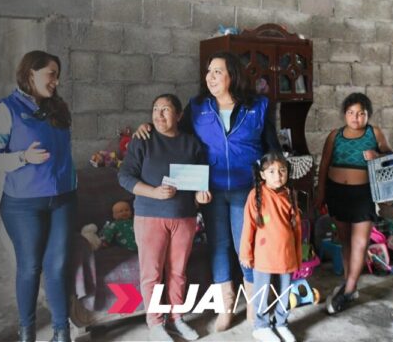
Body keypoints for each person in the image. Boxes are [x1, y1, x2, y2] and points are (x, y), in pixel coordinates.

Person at [134, 52, 280, 331]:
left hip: (246, 189)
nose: (210, 77)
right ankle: (225, 310)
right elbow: (176, 135)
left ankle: (253, 308)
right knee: (219, 246)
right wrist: (149, 127)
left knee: (245, 248)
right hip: (210, 189)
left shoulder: (258, 106)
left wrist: (273, 181)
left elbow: (271, 146)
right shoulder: (198, 106)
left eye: (217, 72)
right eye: (208, 72)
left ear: (232, 75)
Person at [0, 50, 77, 342]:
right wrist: (22, 157)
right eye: (51, 73)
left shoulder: (57, 108)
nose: (56, 81)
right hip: (24, 205)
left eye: (57, 74)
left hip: (62, 200)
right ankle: (28, 333)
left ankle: (62, 333)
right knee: (30, 268)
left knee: (58, 267)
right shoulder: (6, 109)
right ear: (30, 74)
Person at [119, 94, 211, 342]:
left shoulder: (191, 144)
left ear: (179, 115)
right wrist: (154, 193)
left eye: (166, 110)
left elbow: (200, 182)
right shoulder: (143, 140)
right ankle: (155, 324)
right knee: (152, 272)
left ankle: (177, 318)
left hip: (184, 217)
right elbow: (125, 177)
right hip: (150, 215)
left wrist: (201, 196)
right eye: (155, 109)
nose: (159, 115)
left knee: (178, 272)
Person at [316, 92, 392, 314]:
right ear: (344, 115)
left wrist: (376, 155)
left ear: (368, 115)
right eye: (351, 113)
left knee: (360, 242)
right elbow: (323, 165)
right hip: (337, 193)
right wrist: (321, 192)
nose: (355, 118)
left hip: (363, 194)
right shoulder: (334, 135)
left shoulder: (374, 132)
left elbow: (390, 155)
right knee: (345, 241)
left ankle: (348, 289)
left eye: (361, 113)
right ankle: (352, 285)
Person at [240, 152, 301, 342]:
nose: (278, 175)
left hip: (286, 255)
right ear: (262, 174)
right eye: (272, 171)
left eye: (282, 170)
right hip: (263, 256)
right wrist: (246, 253)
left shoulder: (290, 195)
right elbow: (248, 226)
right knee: (262, 292)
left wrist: (298, 257)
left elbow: (297, 229)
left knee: (284, 294)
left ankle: (281, 323)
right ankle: (261, 326)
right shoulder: (255, 196)